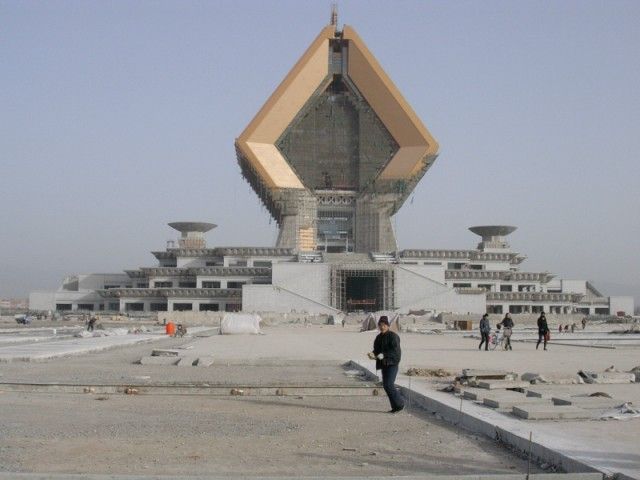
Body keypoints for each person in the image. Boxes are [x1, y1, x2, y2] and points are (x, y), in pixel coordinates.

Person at [368, 317, 404, 413]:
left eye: (384, 325)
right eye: (380, 325)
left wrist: (384, 354)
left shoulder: (393, 336)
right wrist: (373, 354)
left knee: (389, 384)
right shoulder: (378, 337)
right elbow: (377, 350)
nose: (382, 327)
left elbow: (396, 352)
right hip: (384, 364)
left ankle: (400, 404)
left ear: (388, 326)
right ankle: (395, 407)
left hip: (392, 364)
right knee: (386, 385)